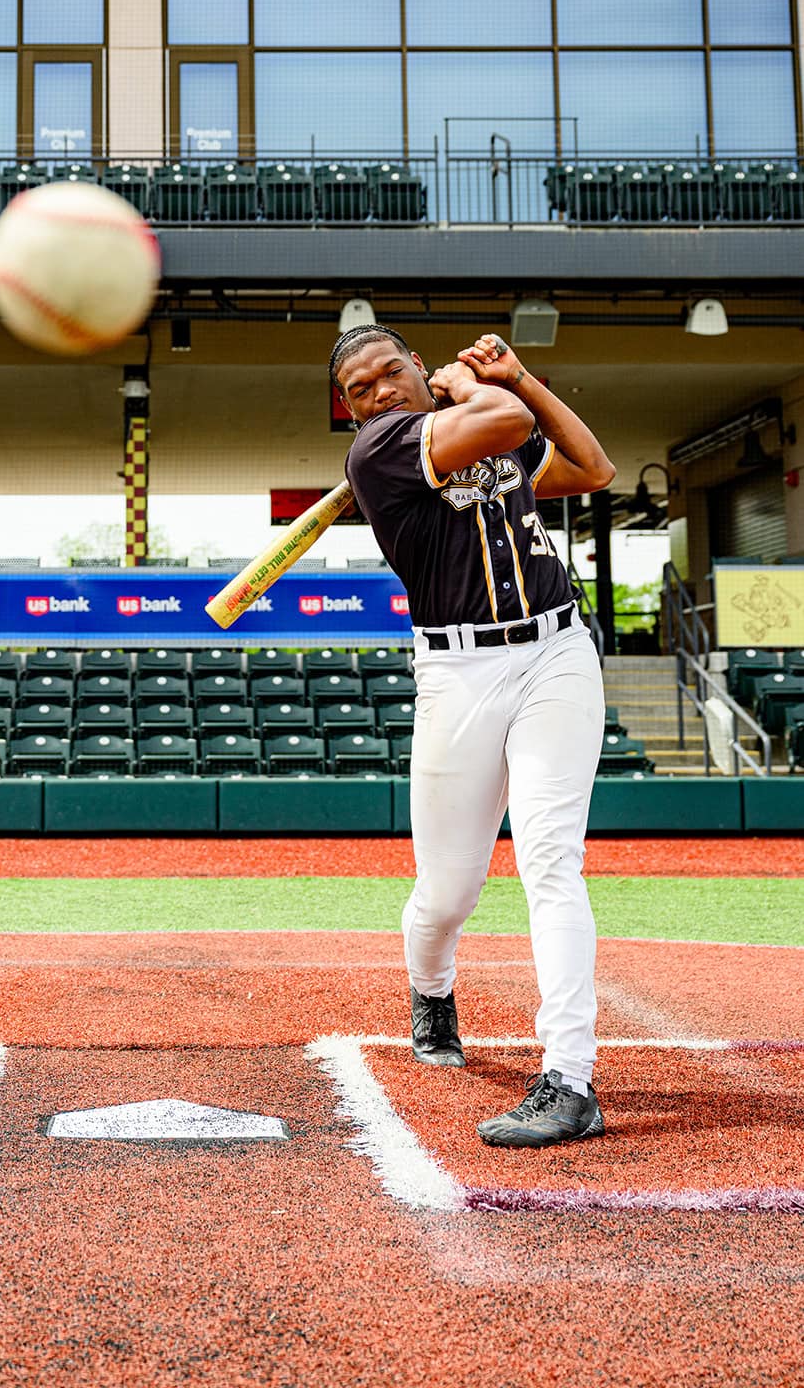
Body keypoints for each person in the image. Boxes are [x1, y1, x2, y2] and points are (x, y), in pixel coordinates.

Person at [332, 323, 616, 1149]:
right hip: (457, 675)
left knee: (549, 858)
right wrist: (480, 389)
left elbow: (589, 467)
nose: (380, 391)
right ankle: (431, 989)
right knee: (447, 892)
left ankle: (568, 1077)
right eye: (360, 389)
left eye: (392, 372)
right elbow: (504, 427)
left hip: (554, 650)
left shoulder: (481, 411)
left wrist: (521, 376)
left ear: (416, 365)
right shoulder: (381, 449)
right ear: (348, 411)